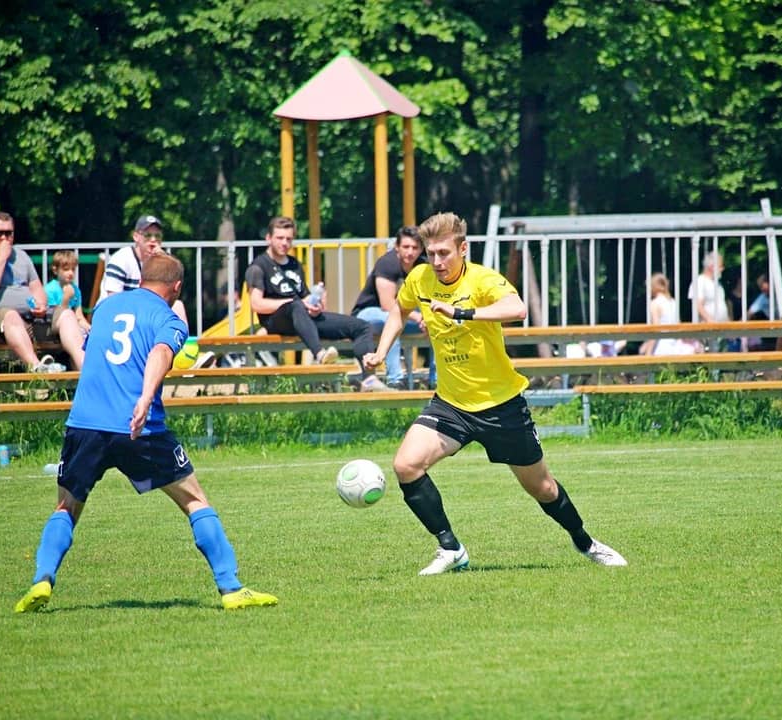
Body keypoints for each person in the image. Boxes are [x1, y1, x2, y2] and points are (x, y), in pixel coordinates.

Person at [363, 211, 627, 574]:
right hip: (451, 404)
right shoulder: (420, 278)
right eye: (431, 253)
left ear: (463, 249)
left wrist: (461, 312)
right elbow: (399, 309)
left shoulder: (482, 279)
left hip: (501, 406)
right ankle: (450, 548)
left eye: (444, 253)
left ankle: (586, 542)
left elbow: (517, 309)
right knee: (406, 465)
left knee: (544, 489)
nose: (436, 261)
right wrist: (381, 351)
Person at [14, 253, 277, 613]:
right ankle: (231, 588)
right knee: (195, 500)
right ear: (177, 287)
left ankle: (42, 580)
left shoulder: (105, 309)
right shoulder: (168, 319)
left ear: (141, 279)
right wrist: (145, 396)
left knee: (66, 506)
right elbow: (160, 353)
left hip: (85, 423)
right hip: (138, 426)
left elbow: (95, 353)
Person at [246, 216, 387, 391]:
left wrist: (315, 304)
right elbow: (257, 304)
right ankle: (320, 354)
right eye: (280, 238)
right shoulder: (258, 267)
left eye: (289, 239)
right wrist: (294, 302)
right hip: (276, 321)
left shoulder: (295, 264)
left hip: (304, 318)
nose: (284, 243)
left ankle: (369, 379)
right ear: (268, 238)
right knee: (296, 306)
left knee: (362, 326)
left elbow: (304, 297)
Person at [0, 211, 85, 371]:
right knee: (11, 315)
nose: (3, 238)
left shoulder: (21, 256)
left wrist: (41, 305)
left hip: (29, 319)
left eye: (8, 233)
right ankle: (37, 368)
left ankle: (85, 369)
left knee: (66, 315)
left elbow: (36, 288)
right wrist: (1, 258)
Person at [350, 225, 430, 389]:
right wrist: (418, 317)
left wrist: (427, 319)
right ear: (397, 247)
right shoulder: (387, 263)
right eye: (406, 247)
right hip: (368, 314)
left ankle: (436, 380)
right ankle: (395, 380)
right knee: (391, 320)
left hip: (406, 316)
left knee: (437, 323)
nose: (410, 252)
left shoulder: (423, 267)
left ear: (421, 249)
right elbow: (387, 305)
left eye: (415, 248)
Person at [98, 215, 189, 326]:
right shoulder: (121, 259)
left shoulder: (161, 260)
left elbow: (171, 293)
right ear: (136, 237)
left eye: (157, 236)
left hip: (144, 312)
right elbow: (114, 300)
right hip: (114, 314)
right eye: (147, 235)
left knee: (177, 306)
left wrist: (162, 260)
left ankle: (178, 337)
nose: (153, 240)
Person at [640, 273, 699, 356]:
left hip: (661, 347)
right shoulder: (673, 302)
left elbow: (656, 329)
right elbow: (679, 325)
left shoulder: (655, 303)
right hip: (676, 345)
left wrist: (648, 351)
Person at [688, 251, 729, 352]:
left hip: (721, 329)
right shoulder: (700, 281)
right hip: (707, 329)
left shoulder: (717, 284)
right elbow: (698, 305)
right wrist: (710, 320)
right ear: (711, 266)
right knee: (709, 355)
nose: (722, 269)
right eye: (720, 266)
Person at [45, 250, 91, 337]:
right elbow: (55, 320)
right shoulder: (49, 290)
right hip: (54, 331)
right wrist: (66, 297)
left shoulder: (76, 290)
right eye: (66, 269)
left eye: (73, 269)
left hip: (72, 326)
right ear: (55, 270)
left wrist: (90, 329)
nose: (71, 273)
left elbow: (79, 317)